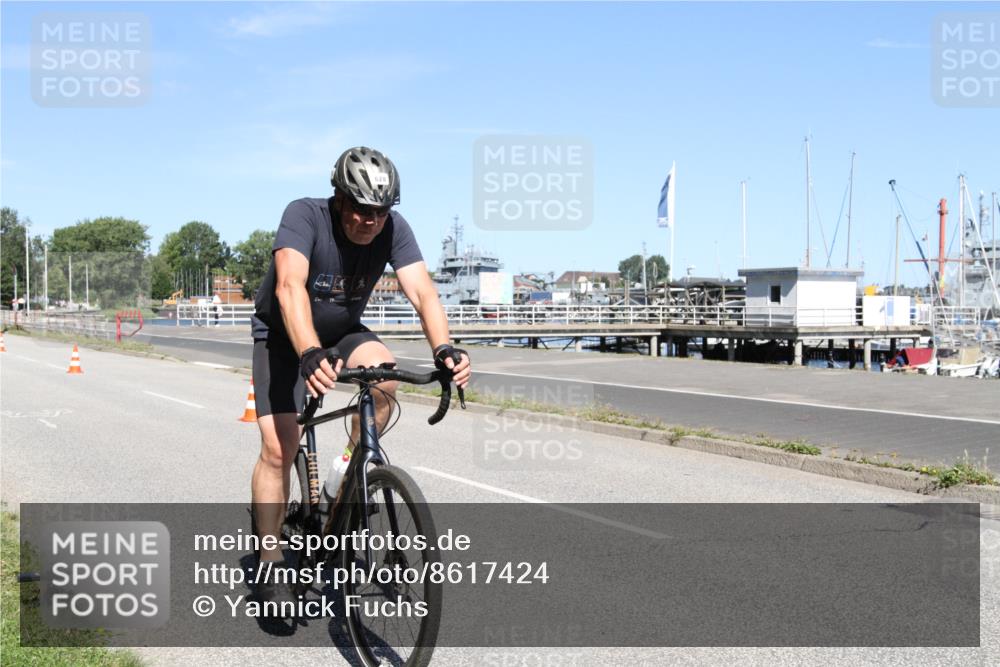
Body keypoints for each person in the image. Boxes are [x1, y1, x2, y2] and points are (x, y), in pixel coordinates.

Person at [249, 146, 471, 605]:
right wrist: (309, 351)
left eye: (380, 213)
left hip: (344, 330)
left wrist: (444, 349)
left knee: (385, 380)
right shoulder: (304, 216)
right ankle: (269, 559)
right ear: (338, 198)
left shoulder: (393, 230)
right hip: (283, 335)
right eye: (360, 210)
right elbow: (290, 287)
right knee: (279, 447)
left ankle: (340, 477)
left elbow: (424, 293)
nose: (370, 221)